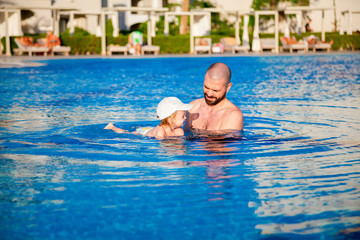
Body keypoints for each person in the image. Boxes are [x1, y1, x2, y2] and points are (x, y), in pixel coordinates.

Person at [184, 62, 244, 132]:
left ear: (228, 87)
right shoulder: (193, 107)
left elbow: (225, 142)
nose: (209, 94)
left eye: (215, 90)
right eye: (206, 87)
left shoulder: (233, 115)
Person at [104, 97, 193, 139]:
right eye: (182, 116)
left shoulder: (179, 131)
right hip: (144, 132)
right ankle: (112, 127)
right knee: (126, 133)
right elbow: (162, 144)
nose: (185, 118)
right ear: (170, 119)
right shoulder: (160, 130)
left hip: (151, 129)